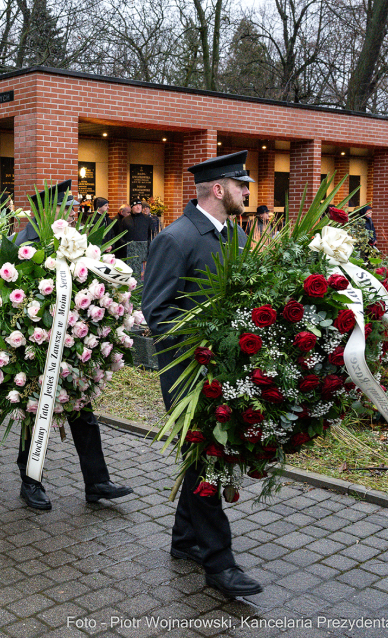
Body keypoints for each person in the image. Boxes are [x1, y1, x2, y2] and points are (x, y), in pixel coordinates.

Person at [142, 150, 263, 599]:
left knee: (203, 458)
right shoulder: (176, 239)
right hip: (191, 375)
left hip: (228, 370)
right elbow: (156, 312)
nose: (248, 192)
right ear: (219, 189)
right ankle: (219, 563)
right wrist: (205, 346)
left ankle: (185, 539)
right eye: (242, 185)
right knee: (207, 458)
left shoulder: (237, 236)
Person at [13, 180, 133, 511]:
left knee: (81, 409)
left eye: (72, 207)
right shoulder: (30, 239)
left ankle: (96, 482)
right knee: (33, 413)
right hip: (39, 347)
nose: (72, 213)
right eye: (66, 208)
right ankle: (30, 480)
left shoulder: (73, 239)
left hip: (71, 340)